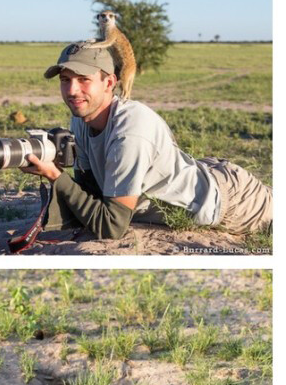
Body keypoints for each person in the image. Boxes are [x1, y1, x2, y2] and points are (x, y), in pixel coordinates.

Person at [15, 41, 273, 247]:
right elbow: (91, 190)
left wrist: (55, 176)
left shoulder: (130, 130)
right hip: (202, 173)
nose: (72, 90)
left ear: (109, 83)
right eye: (65, 80)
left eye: (83, 79)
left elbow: (111, 227)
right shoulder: (81, 119)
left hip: (233, 203)